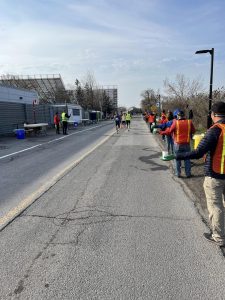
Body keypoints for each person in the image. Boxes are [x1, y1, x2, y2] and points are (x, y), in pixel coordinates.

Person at [175, 101, 225, 247]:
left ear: (213, 115)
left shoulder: (215, 130)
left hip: (215, 175)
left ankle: (219, 236)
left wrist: (178, 156)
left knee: (216, 206)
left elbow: (198, 152)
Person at [161, 110, 195, 177]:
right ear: (184, 116)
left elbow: (170, 131)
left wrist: (162, 132)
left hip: (178, 144)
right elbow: (193, 130)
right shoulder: (189, 122)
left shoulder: (175, 123)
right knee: (187, 159)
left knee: (177, 159)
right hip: (187, 144)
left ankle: (178, 174)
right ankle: (188, 174)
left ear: (178, 116)